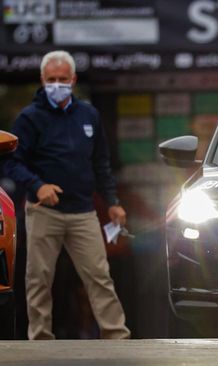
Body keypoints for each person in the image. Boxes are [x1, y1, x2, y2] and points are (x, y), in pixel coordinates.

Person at [4, 50, 130, 340]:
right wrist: (37, 185)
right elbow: (11, 162)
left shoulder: (89, 115)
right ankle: (40, 337)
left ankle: (117, 337)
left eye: (63, 79)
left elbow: (101, 163)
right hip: (43, 211)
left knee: (99, 276)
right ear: (42, 80)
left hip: (83, 211)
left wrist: (112, 203)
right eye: (51, 79)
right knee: (38, 279)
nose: (57, 84)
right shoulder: (29, 118)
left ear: (73, 80)